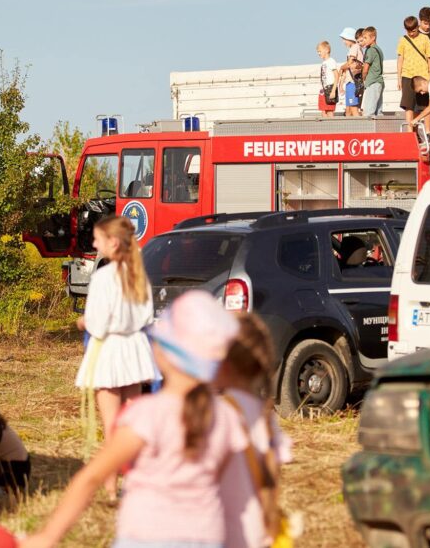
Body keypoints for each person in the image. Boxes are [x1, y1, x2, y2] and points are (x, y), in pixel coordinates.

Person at [20, 291, 247, 548]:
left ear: (163, 352)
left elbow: (91, 478)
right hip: (207, 536)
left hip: (145, 536)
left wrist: (48, 536)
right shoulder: (228, 416)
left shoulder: (147, 415)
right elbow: (238, 492)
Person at [73, 214, 159, 499]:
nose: (95, 245)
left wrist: (83, 323)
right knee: (132, 423)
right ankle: (136, 482)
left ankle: (111, 488)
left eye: (97, 239)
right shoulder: (139, 275)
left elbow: (97, 323)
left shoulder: (103, 278)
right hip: (134, 351)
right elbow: (147, 316)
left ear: (111, 242)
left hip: (109, 351)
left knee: (111, 425)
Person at [215, 312, 293, 548]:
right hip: (260, 532)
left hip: (225, 532)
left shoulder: (220, 413)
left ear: (224, 363)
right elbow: (273, 477)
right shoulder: (267, 417)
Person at [396, 16, 430, 132]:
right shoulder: (403, 40)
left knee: (425, 106)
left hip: (423, 77)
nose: (411, 33)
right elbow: (400, 59)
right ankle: (410, 132)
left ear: (417, 27)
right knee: (409, 106)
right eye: (408, 31)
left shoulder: (425, 39)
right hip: (407, 76)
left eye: (413, 30)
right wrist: (399, 78)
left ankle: (427, 132)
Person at [338, 27, 364, 117]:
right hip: (352, 82)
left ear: (349, 38)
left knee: (353, 108)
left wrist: (341, 67)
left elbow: (350, 62)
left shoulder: (354, 47)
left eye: (344, 39)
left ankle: (359, 129)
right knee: (349, 109)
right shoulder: (357, 48)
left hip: (352, 83)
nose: (343, 42)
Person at [360, 26, 385, 117]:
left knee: (368, 113)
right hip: (379, 82)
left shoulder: (370, 50)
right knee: (378, 112)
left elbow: (366, 68)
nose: (364, 40)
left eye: (366, 38)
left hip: (373, 82)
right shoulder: (379, 50)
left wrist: (363, 78)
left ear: (373, 38)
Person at [316, 41, 339, 118]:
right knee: (323, 111)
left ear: (327, 50)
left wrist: (333, 90)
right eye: (318, 52)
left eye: (320, 51)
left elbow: (336, 76)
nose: (319, 53)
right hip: (323, 90)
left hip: (329, 89)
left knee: (329, 111)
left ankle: (332, 129)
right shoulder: (324, 63)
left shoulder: (331, 61)